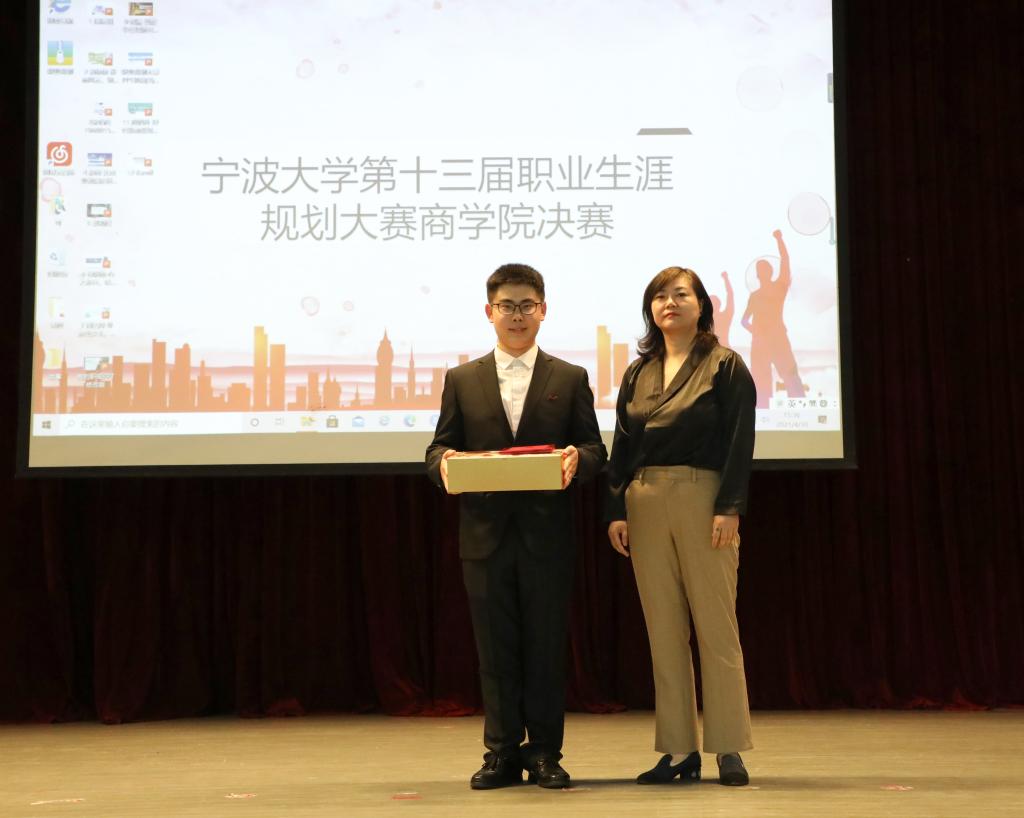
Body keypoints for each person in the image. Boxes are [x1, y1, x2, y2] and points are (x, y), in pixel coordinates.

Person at [426, 263, 607, 791]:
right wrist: (444, 465)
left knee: (546, 650)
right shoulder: (462, 379)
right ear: (490, 312)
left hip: (547, 538)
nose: (517, 315)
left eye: (527, 305)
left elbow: (595, 449)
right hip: (483, 539)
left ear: (543, 311)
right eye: (507, 306)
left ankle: (545, 752)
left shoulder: (568, 377)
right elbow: (438, 448)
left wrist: (578, 459)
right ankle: (501, 753)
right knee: (495, 652)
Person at [606, 266, 756, 787]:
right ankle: (678, 751)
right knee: (664, 631)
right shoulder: (638, 371)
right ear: (650, 309)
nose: (669, 302)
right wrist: (616, 508)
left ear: (701, 306)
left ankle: (729, 747)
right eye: (660, 296)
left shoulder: (724, 364)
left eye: (681, 294)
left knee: (716, 628)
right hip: (644, 500)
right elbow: (622, 445)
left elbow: (739, 440)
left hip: (703, 497)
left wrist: (730, 506)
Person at [740, 229, 805, 408]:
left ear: (770, 272)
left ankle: (801, 413)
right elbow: (744, 320)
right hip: (761, 342)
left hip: (777, 339)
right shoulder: (755, 295)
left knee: (791, 377)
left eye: (765, 269)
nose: (763, 272)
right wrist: (755, 331)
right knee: (761, 383)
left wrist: (779, 239)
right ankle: (763, 416)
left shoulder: (779, 288)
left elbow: (785, 261)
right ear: (758, 275)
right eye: (760, 270)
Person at [710, 270, 735, 348]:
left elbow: (730, 295)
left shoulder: (725, 316)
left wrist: (726, 279)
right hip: (712, 351)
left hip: (724, 349)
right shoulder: (704, 321)